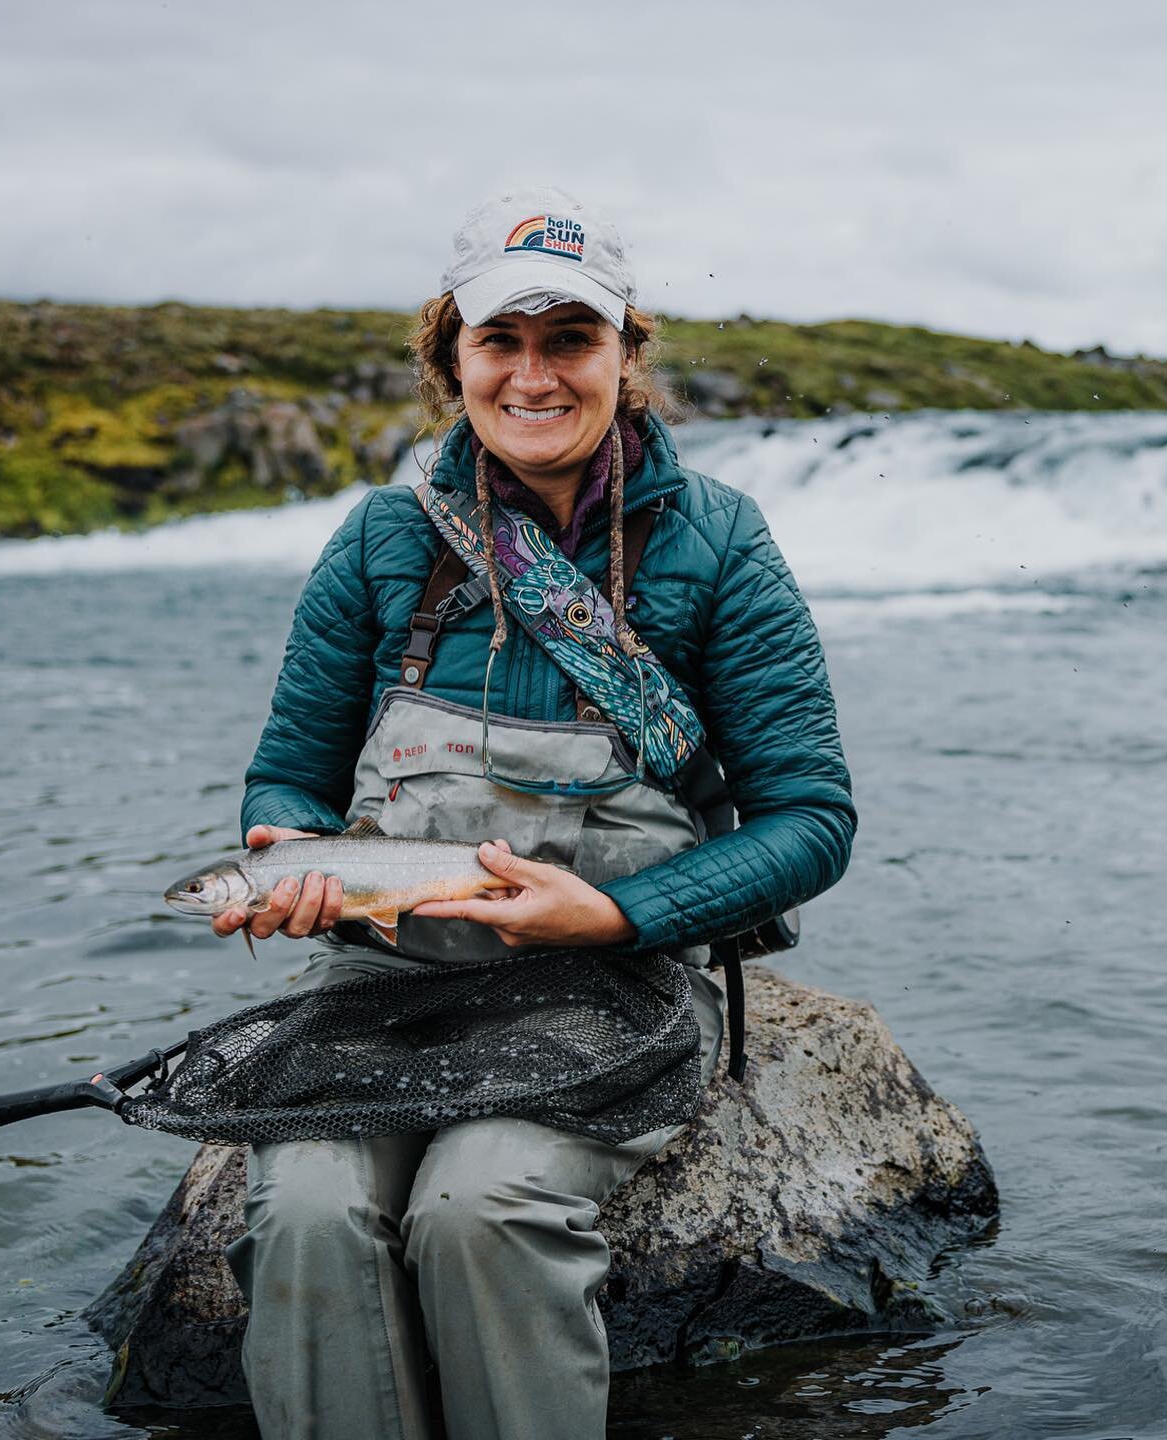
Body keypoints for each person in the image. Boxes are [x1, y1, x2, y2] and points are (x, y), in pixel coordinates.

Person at [213, 186, 856, 1440]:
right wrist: (287, 850)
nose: (534, 375)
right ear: (450, 358)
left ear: (627, 353)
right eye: (501, 341)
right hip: (379, 982)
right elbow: (286, 773)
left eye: (572, 340)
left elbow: (810, 820)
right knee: (305, 1211)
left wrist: (618, 911)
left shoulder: (719, 542)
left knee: (480, 1207)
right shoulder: (381, 539)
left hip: (610, 983)